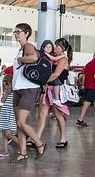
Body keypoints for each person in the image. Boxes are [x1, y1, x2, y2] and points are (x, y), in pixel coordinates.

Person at [11, 23, 46, 163]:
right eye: (15, 32)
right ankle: (23, 152)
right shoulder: (20, 49)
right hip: (18, 89)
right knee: (18, 124)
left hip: (29, 89)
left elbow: (34, 58)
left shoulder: (28, 46)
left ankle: (39, 144)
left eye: (18, 32)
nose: (16, 34)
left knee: (21, 121)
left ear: (26, 33)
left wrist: (20, 59)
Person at [35, 38, 73, 150]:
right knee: (42, 114)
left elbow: (56, 74)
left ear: (63, 49)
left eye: (57, 46)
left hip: (57, 90)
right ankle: (36, 138)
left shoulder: (63, 59)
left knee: (58, 115)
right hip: (48, 89)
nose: (54, 48)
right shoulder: (53, 58)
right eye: (55, 45)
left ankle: (63, 138)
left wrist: (43, 81)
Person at [39, 40, 66, 106]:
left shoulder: (47, 55)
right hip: (45, 74)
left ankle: (56, 99)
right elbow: (54, 59)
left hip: (47, 75)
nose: (48, 48)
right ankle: (56, 99)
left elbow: (54, 61)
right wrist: (63, 56)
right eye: (46, 47)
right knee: (57, 82)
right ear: (43, 48)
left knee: (56, 83)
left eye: (50, 47)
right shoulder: (45, 55)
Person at [0, 74, 18, 158]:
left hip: (10, 115)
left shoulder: (15, 94)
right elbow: (2, 100)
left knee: (8, 134)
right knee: (4, 134)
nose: (6, 88)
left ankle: (22, 145)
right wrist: (5, 94)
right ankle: (6, 150)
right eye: (5, 86)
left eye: (8, 85)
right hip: (4, 115)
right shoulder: (6, 93)